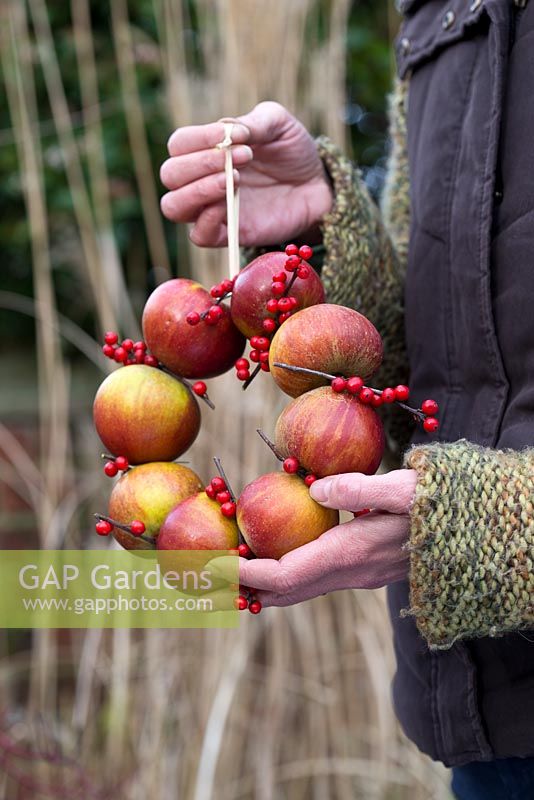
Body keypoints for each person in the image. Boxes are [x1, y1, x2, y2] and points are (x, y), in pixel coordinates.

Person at [159, 1, 534, 797]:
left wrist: (484, 524)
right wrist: (323, 235)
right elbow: (432, 359)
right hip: (483, 718)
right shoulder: (438, 9)